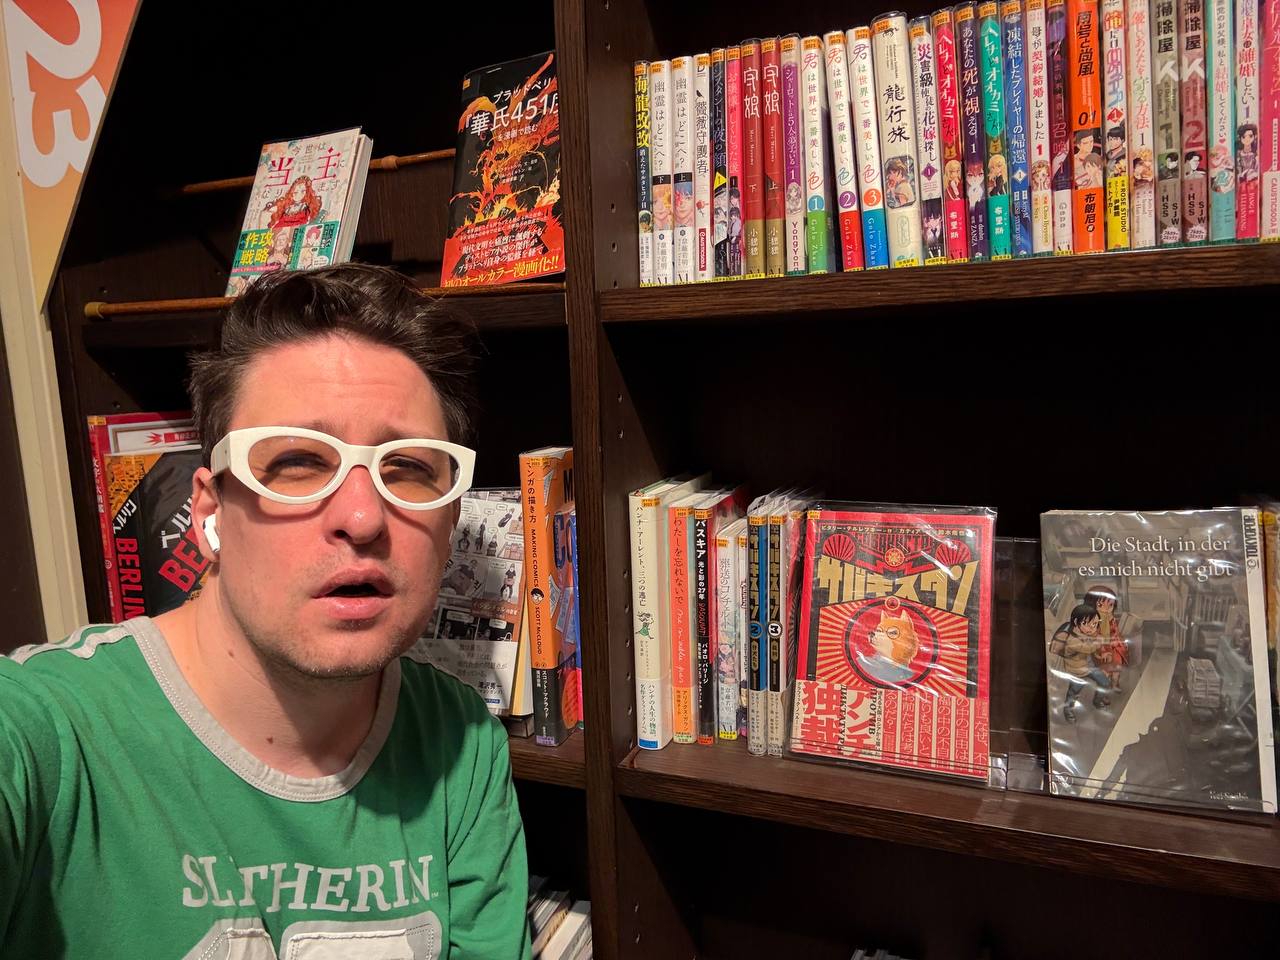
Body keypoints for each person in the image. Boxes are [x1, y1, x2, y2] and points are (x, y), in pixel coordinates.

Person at [0, 264, 531, 958]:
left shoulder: (461, 742)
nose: (363, 518)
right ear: (210, 513)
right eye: (298, 463)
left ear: (452, 517)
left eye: (408, 468)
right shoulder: (47, 731)